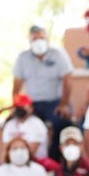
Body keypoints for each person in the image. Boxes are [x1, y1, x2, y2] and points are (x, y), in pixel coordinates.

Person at [12, 25, 74, 161]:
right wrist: (18, 106)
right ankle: (27, 159)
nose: (39, 42)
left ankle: (56, 160)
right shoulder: (22, 58)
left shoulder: (58, 55)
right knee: (17, 124)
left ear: (47, 39)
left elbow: (67, 81)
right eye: (35, 39)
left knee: (62, 122)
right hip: (31, 104)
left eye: (41, 38)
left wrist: (63, 104)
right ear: (30, 41)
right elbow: (17, 86)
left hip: (55, 101)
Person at [1, 93, 49, 161]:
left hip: (35, 162)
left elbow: (31, 151)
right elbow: (5, 150)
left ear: (30, 108)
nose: (19, 109)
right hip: (12, 163)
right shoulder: (9, 124)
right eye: (17, 107)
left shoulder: (37, 124)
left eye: (22, 106)